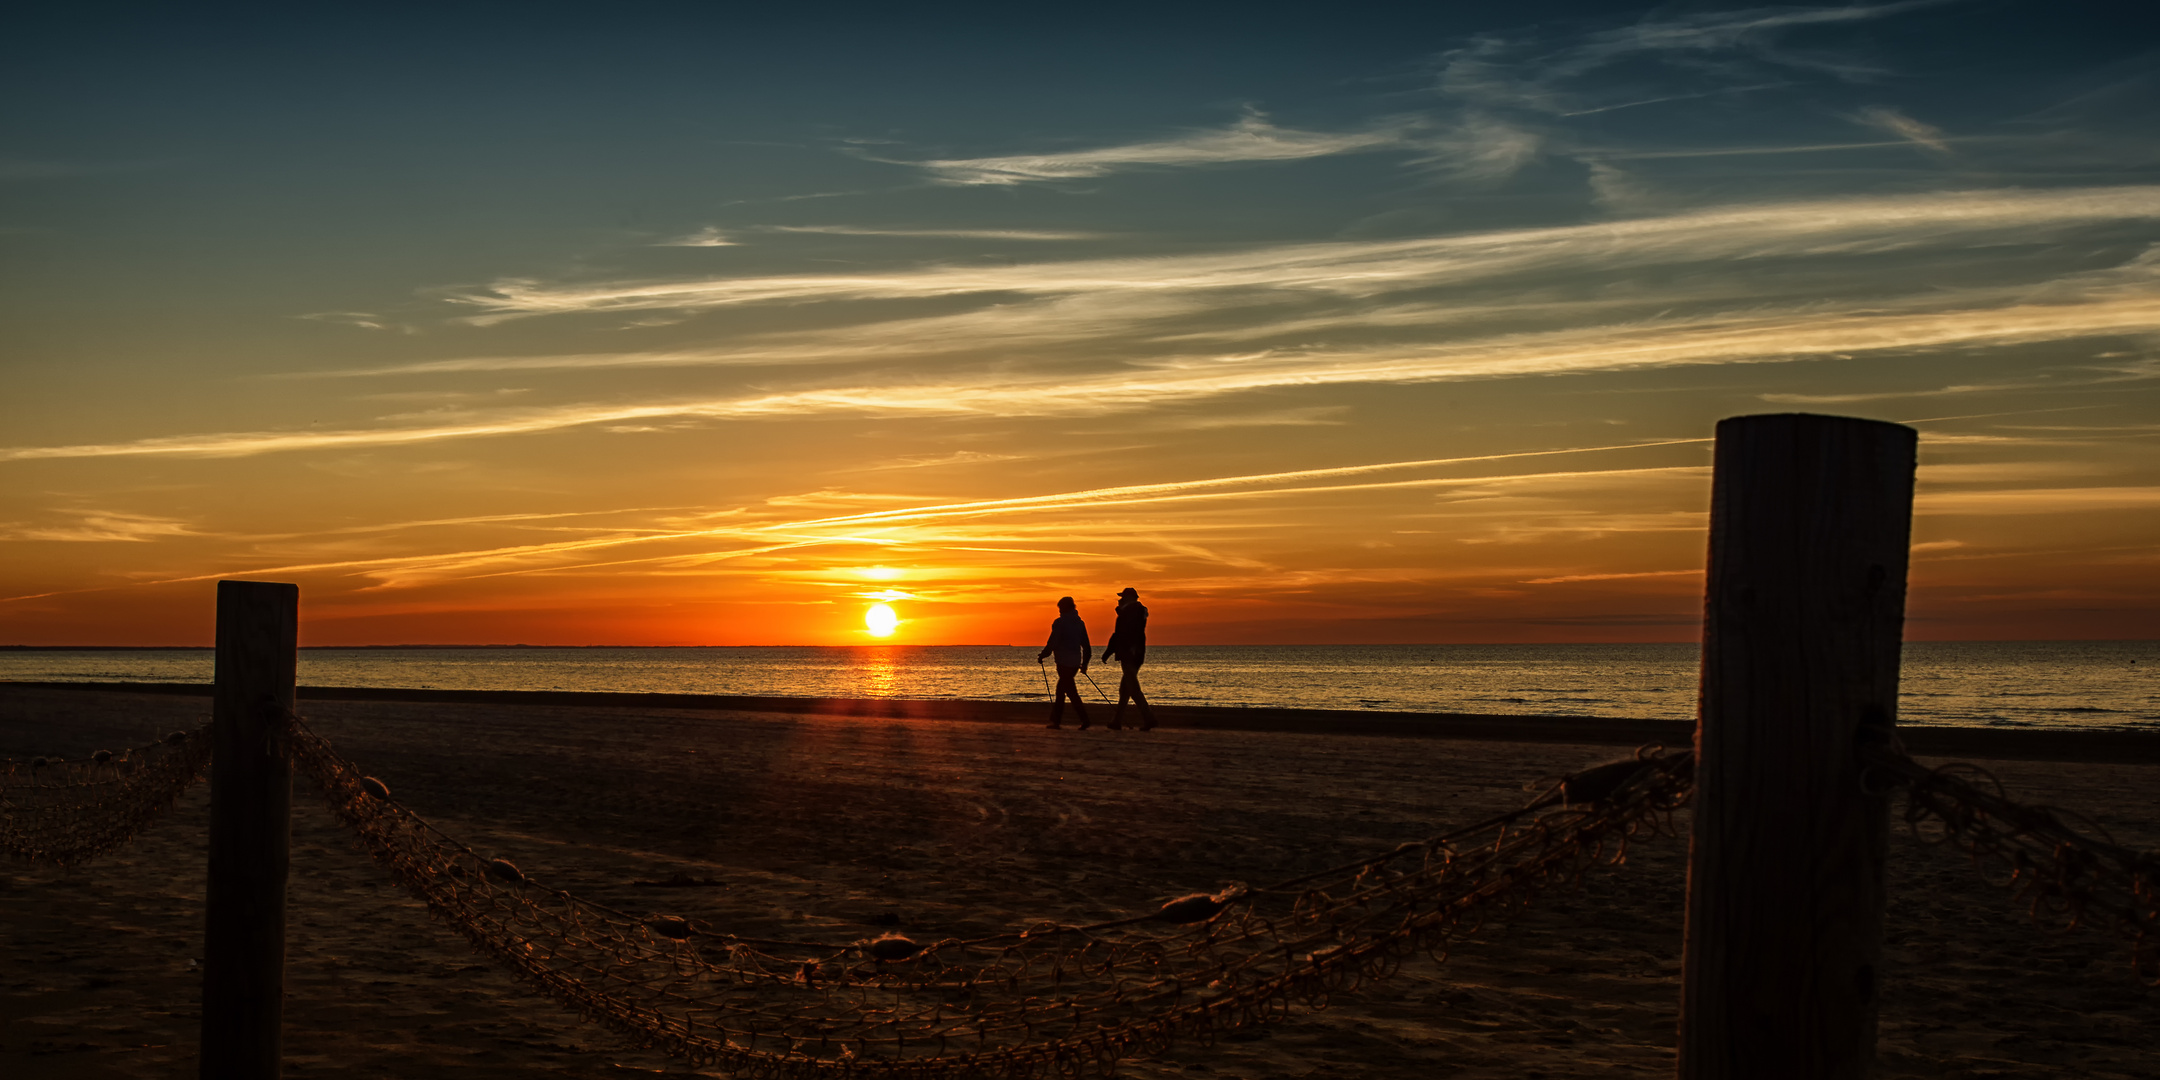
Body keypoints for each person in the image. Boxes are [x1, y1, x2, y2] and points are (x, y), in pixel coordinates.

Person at [1102, 587, 1156, 731]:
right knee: (1125, 688)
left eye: (1123, 597)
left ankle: (1148, 717)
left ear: (1129, 598)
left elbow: (1123, 633)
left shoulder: (1131, 611)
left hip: (1129, 652)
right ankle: (1117, 721)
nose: (1120, 599)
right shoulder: (1136, 611)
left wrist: (1109, 651)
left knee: (1132, 687)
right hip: (1135, 652)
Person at [1036, 596, 1091, 729]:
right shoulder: (1080, 623)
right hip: (1075, 663)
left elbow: (1053, 642)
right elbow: (1086, 646)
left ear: (1065, 608)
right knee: (1061, 691)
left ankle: (1083, 720)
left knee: (1070, 692)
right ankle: (1056, 720)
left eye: (1060, 608)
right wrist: (1084, 664)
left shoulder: (1059, 623)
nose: (1059, 611)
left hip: (1064, 662)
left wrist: (1043, 655)